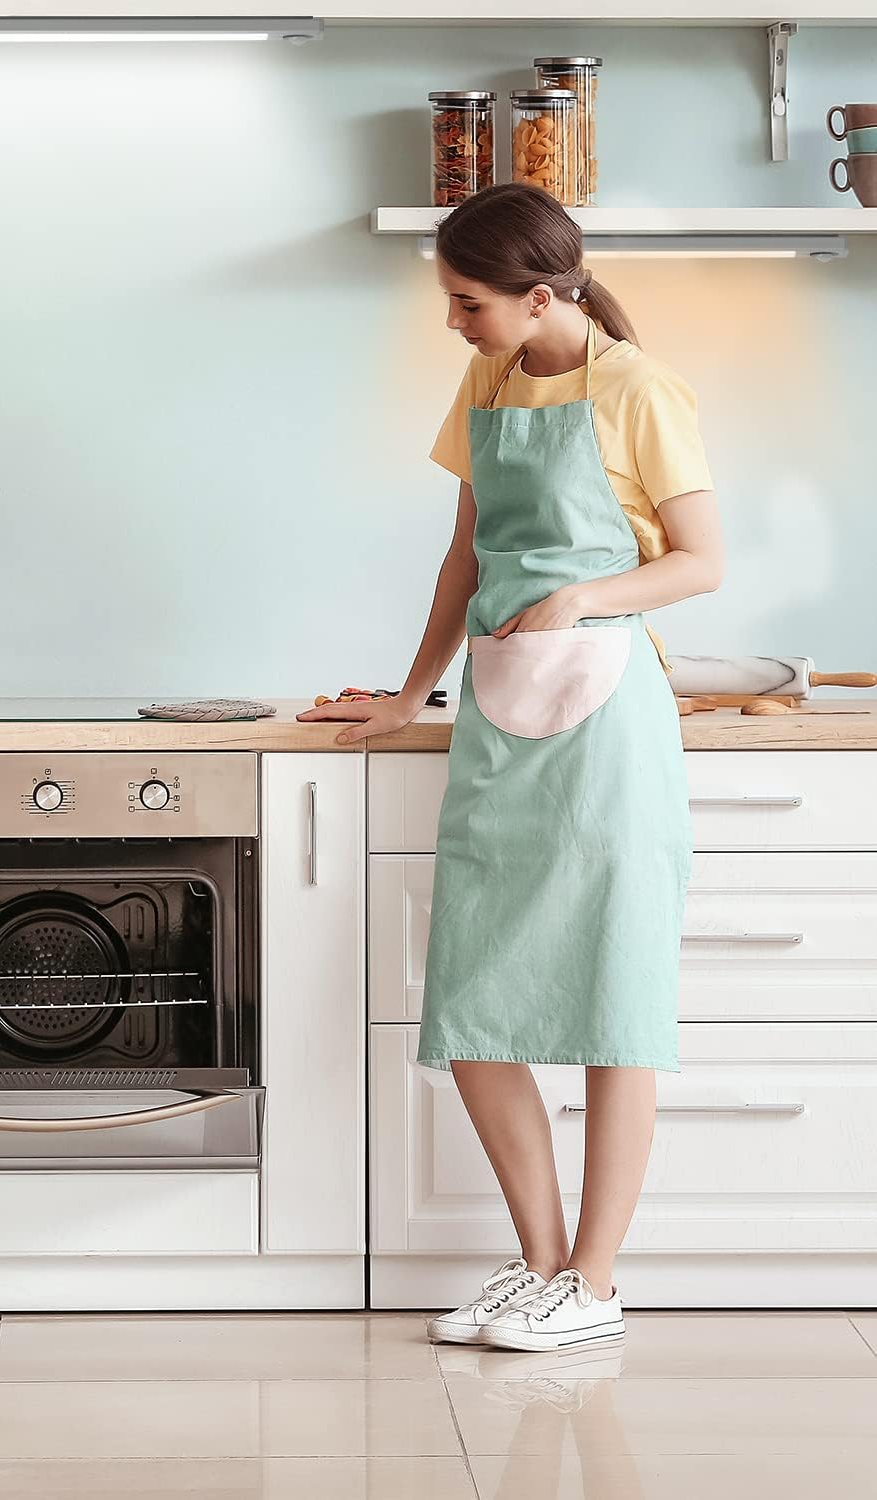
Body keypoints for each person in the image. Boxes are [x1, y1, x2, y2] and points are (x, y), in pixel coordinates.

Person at [301, 184, 723, 1351]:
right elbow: (462, 555)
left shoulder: (640, 390)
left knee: (611, 1007)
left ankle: (593, 1280)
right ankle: (542, 1268)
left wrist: (584, 595)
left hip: (607, 735)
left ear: (541, 295)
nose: (453, 322)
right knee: (475, 1003)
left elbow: (700, 562)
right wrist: (406, 691)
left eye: (467, 301)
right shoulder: (487, 380)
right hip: (500, 717)